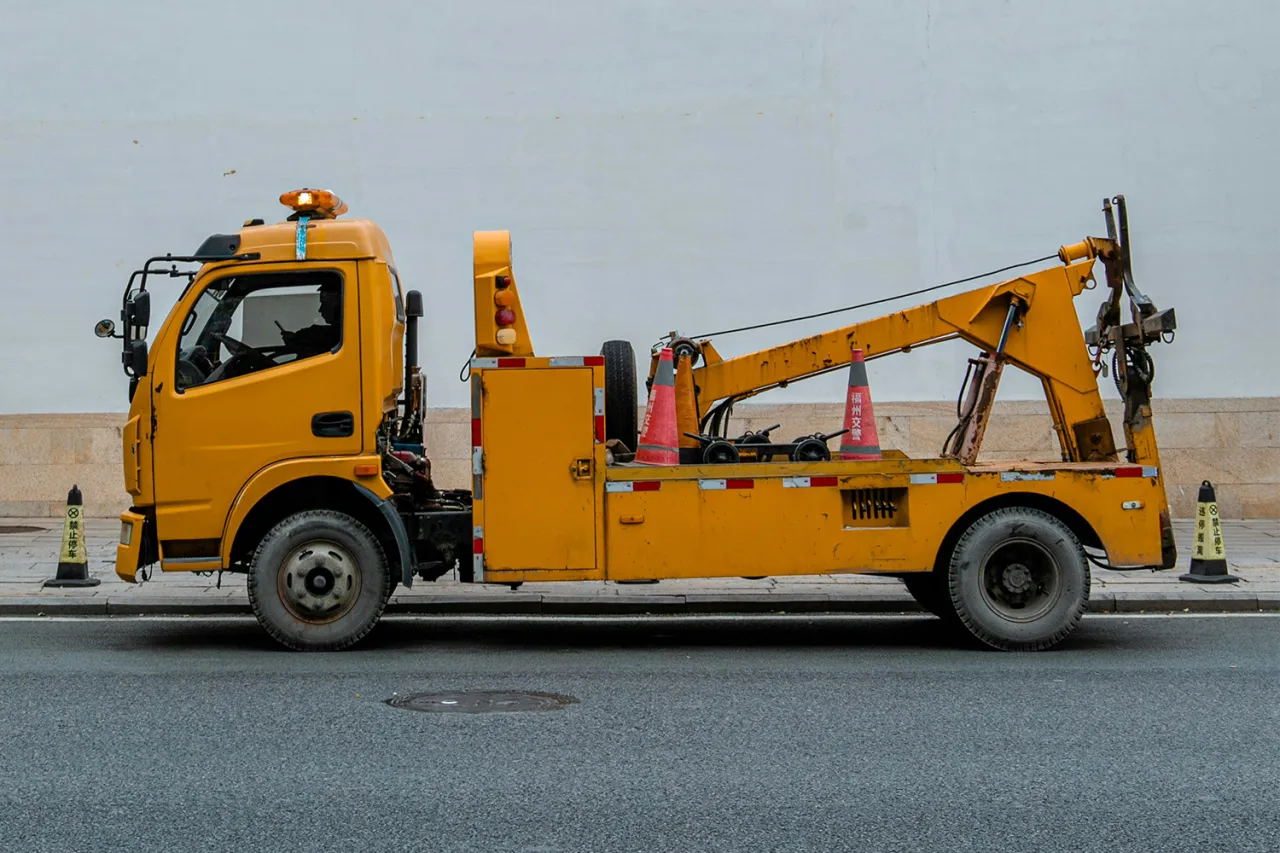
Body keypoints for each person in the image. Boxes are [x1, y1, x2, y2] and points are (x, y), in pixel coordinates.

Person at [280, 280, 341, 358]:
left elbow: (323, 336)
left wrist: (296, 339)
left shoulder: (334, 336)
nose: (320, 310)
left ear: (337, 303)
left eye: (324, 304)